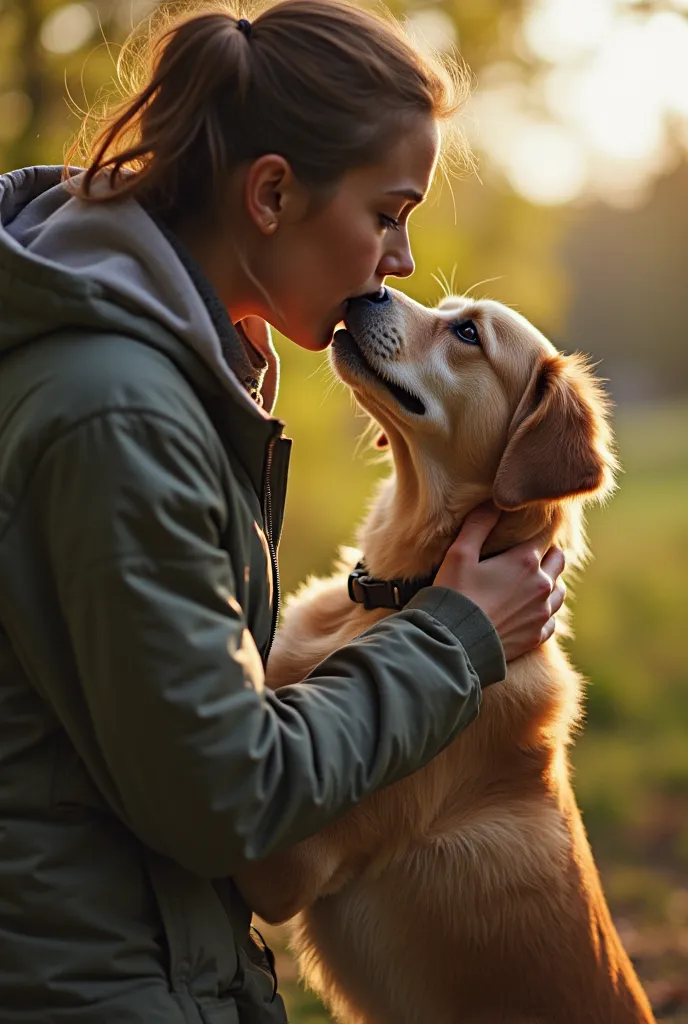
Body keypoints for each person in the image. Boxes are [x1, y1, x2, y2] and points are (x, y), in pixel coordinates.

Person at [0, 2, 565, 1021]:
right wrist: (453, 640)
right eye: (388, 213)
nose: (397, 261)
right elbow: (236, 809)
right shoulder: (121, 413)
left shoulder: (162, 373)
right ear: (270, 194)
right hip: (91, 986)